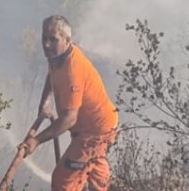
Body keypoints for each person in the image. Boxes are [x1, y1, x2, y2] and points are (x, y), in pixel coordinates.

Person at [17, 15, 120, 190]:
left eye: (53, 40)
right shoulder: (57, 57)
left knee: (63, 181)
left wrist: (36, 141)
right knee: (96, 173)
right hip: (101, 126)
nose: (47, 44)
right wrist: (45, 102)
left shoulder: (73, 70)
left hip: (94, 133)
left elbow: (68, 120)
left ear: (67, 40)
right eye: (44, 38)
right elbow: (52, 74)